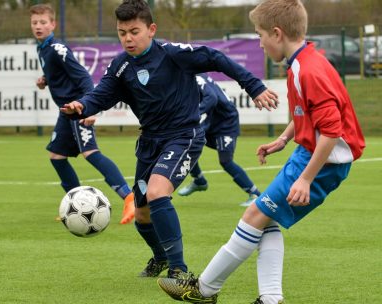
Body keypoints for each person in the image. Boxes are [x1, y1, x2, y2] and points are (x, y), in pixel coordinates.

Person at [157, 0, 366, 303]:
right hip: (309, 154)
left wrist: (306, 179)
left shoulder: (308, 71)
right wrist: (282, 139)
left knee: (254, 214)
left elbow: (331, 132)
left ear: (277, 33)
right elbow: (307, 114)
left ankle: (204, 289)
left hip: (323, 161)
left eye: (259, 35)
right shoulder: (303, 62)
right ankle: (270, 298)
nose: (260, 42)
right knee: (265, 218)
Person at [60, 0, 278, 280]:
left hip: (183, 137)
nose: (128, 38)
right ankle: (161, 257)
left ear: (151, 29)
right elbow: (100, 95)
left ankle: (180, 269)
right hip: (150, 143)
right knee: (142, 215)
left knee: (157, 192)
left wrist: (254, 86)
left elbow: (215, 58)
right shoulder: (120, 66)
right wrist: (81, 106)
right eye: (122, 32)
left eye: (134, 31)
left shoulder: (173, 54)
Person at [29, 3, 135, 224]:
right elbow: (58, 74)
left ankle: (129, 197)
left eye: (43, 22)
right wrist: (45, 80)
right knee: (57, 157)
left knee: (90, 153)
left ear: (53, 24)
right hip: (66, 112)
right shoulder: (42, 48)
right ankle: (76, 204)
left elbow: (83, 77)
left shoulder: (58, 49)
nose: (38, 26)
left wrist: (89, 107)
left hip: (77, 108)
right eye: (34, 23)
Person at [177, 73, 261, 207]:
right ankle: (199, 181)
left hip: (225, 124)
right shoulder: (187, 78)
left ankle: (255, 194)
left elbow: (212, 98)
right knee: (186, 145)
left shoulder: (195, 76)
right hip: (211, 122)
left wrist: (195, 113)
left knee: (226, 161)